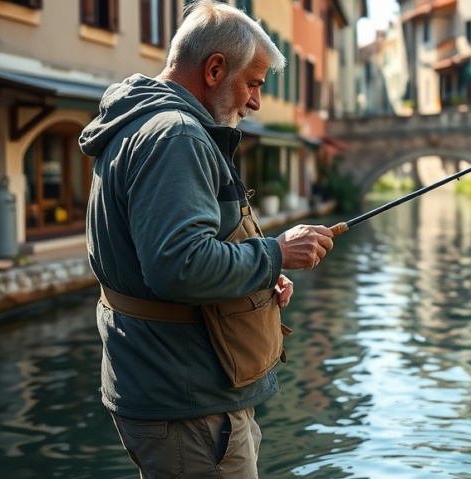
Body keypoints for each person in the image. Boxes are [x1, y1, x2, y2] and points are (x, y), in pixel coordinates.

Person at [78, 1, 334, 477]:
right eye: (253, 83)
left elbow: (156, 257)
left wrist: (259, 276)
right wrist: (276, 252)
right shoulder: (178, 137)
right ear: (215, 68)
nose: (255, 101)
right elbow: (180, 266)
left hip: (161, 386)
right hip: (187, 401)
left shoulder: (135, 123)